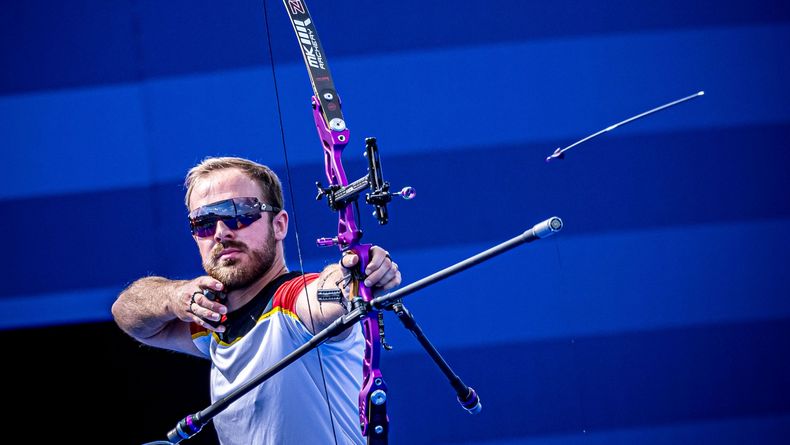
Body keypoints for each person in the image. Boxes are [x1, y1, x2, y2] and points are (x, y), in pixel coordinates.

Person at [111, 157, 401, 445]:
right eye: (204, 222)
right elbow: (126, 313)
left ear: (279, 225)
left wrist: (357, 276)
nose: (221, 232)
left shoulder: (292, 304)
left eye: (240, 213)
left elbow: (325, 293)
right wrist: (175, 297)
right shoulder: (214, 322)